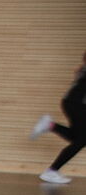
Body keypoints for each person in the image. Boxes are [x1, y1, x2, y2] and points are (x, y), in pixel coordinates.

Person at [31, 50, 86, 184]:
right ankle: (51, 171)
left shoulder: (83, 70)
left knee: (77, 138)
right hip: (77, 104)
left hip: (72, 103)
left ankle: (50, 125)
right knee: (81, 140)